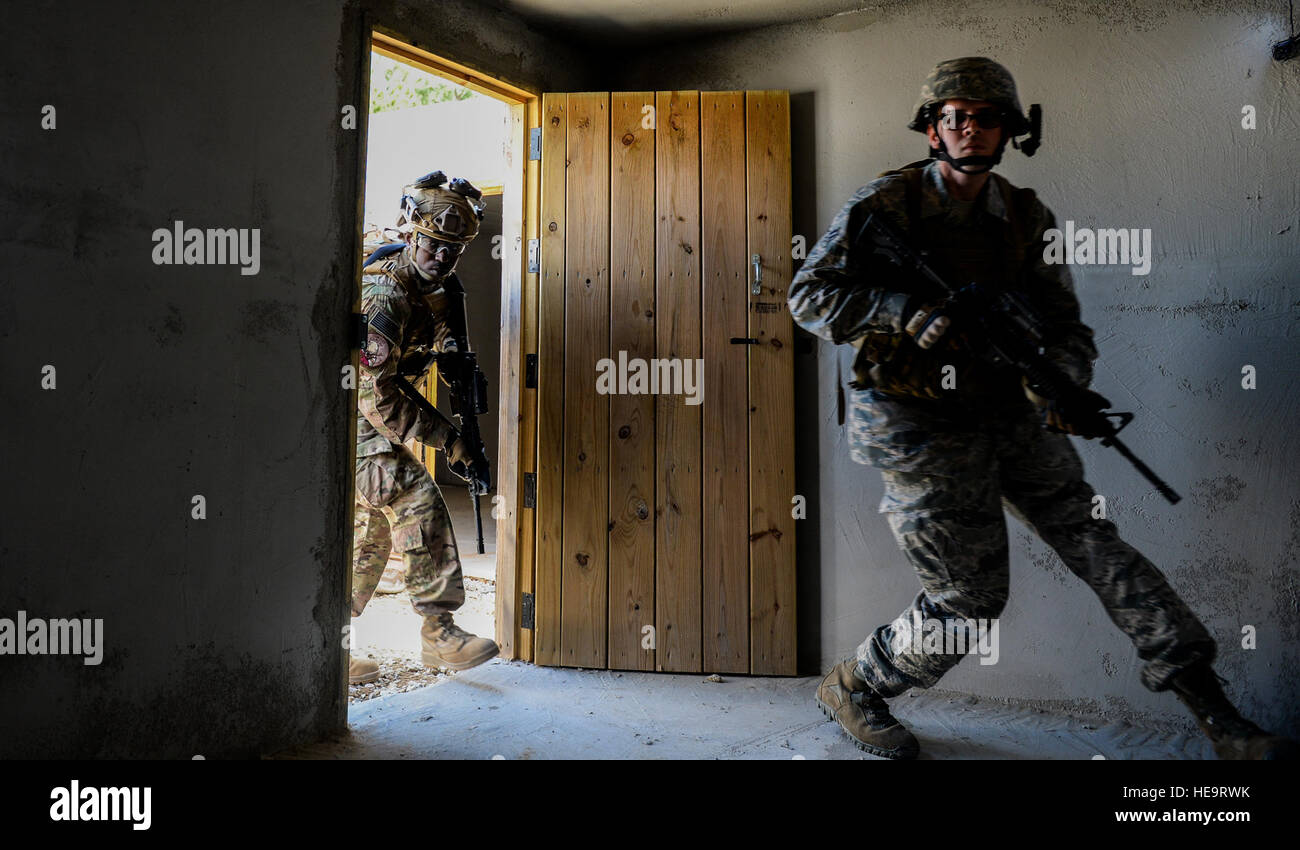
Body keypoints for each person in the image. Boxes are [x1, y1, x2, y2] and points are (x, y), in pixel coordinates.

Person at [789, 57, 1296, 760]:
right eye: (954, 115)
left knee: (1100, 546)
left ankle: (1220, 719)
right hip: (917, 424)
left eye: (985, 116)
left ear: (1010, 130)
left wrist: (1061, 384)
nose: (968, 127)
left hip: (1008, 413)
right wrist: (900, 311)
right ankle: (857, 684)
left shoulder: (1025, 218)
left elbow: (1065, 325)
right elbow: (807, 296)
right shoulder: (886, 208)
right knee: (970, 599)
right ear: (932, 128)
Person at [348, 171, 497, 684]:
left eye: (453, 249)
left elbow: (447, 352)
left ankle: (320, 644)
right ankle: (439, 632)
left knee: (369, 536)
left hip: (367, 406)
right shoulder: (385, 289)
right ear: (411, 235)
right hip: (349, 408)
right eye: (434, 244)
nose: (442, 257)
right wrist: (447, 438)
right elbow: (376, 393)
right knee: (410, 492)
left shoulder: (439, 288)